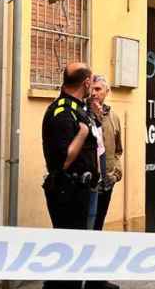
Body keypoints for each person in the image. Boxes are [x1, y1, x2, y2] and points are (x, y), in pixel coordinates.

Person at [41, 63, 98, 289]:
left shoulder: (78, 108)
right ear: (85, 82)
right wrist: (83, 133)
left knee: (74, 253)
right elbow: (62, 160)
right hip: (67, 191)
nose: (92, 88)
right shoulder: (63, 111)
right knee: (68, 255)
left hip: (80, 190)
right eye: (91, 83)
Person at [88, 75, 124, 232]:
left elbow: (118, 150)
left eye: (98, 89)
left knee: (98, 225)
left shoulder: (114, 118)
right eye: (91, 89)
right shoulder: (82, 114)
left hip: (106, 183)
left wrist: (115, 174)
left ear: (107, 92)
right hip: (87, 184)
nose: (94, 93)